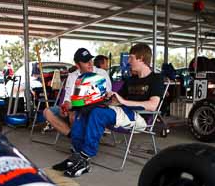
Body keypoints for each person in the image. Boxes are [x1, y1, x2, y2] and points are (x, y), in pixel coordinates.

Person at [53, 43, 164, 177]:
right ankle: (77, 155)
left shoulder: (156, 79)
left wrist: (123, 101)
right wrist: (107, 97)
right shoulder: (130, 80)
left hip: (139, 116)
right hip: (121, 111)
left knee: (97, 113)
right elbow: (117, 99)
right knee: (83, 110)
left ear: (141, 59)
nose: (128, 61)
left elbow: (153, 105)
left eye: (131, 58)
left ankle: (84, 158)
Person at [43, 48, 112, 137]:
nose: (90, 64)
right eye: (86, 61)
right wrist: (65, 108)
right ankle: (73, 135)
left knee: (75, 115)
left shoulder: (101, 73)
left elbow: (105, 95)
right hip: (75, 107)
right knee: (47, 112)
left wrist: (75, 108)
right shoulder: (72, 76)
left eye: (90, 60)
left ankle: (79, 139)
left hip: (95, 108)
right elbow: (67, 99)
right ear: (78, 65)